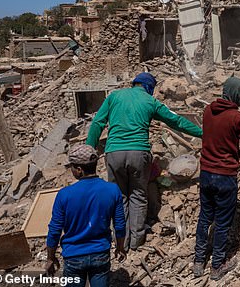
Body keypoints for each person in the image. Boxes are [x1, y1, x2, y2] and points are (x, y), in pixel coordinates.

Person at [86, 72, 203, 250]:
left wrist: (89, 149)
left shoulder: (114, 96)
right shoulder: (151, 101)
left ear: (135, 84)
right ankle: (136, 240)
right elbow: (176, 121)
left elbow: (97, 123)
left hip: (114, 153)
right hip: (138, 153)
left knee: (119, 197)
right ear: (149, 87)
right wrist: (202, 132)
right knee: (138, 195)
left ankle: (121, 242)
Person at [193, 77, 240, 281]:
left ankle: (198, 262)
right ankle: (217, 265)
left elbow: (218, 138)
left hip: (206, 173)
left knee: (205, 216)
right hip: (225, 176)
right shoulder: (237, 117)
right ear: (236, 96)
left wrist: (233, 149)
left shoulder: (208, 110)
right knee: (223, 222)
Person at [46, 144, 126, 287]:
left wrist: (50, 258)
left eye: (71, 166)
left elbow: (54, 230)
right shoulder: (112, 190)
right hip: (100, 254)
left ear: (79, 169)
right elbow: (119, 225)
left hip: (73, 256)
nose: (71, 170)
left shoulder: (64, 195)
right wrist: (120, 247)